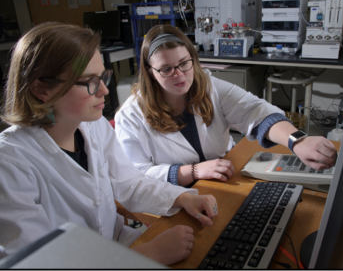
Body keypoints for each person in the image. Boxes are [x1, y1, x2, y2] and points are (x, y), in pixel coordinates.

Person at [0, 22, 218, 266]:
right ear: (42, 90)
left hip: (118, 246)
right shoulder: (9, 163)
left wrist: (182, 198)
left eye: (103, 76)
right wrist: (145, 255)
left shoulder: (93, 126)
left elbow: (128, 183)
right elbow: (35, 262)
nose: (104, 90)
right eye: (90, 81)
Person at [115, 24, 337, 187]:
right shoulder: (131, 115)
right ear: (150, 72)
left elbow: (256, 111)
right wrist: (193, 171)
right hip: (175, 191)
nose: (179, 74)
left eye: (184, 63)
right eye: (166, 69)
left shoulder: (209, 86)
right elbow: (137, 175)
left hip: (222, 174)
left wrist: (297, 141)